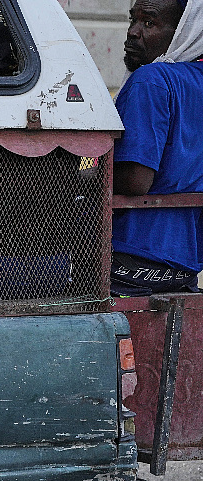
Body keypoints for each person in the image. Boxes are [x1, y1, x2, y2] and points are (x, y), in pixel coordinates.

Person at [111, 0, 203, 295]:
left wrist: (84, 173)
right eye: (133, 21)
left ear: (184, 32)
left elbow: (135, 181)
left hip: (133, 256)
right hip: (185, 266)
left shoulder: (152, 79)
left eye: (149, 24)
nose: (133, 33)